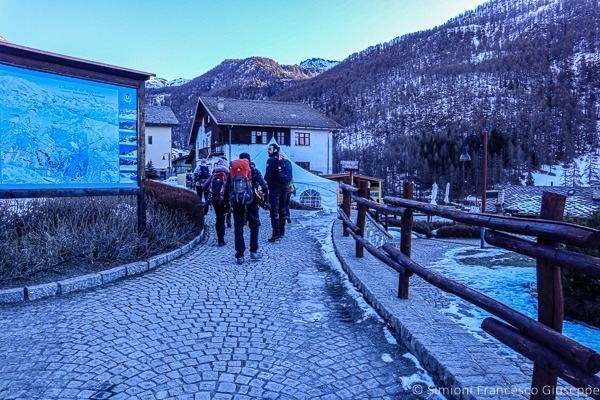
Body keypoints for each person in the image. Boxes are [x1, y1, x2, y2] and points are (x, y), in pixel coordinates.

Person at [227, 152, 268, 265]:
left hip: (237, 203)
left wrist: (229, 202)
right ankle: (253, 252)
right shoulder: (254, 170)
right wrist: (264, 198)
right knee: (254, 226)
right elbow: (264, 186)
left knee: (238, 229)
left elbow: (226, 188)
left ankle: (239, 255)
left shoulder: (233, 171)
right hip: (252, 203)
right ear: (249, 160)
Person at [263, 143, 289, 242]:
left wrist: (265, 186)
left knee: (274, 211)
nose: (268, 150)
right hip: (284, 187)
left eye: (269, 149)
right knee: (282, 209)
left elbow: (268, 175)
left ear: (274, 150)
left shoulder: (271, 160)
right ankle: (282, 232)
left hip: (275, 188)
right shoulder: (282, 159)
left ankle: (275, 234)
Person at [202, 158, 229, 246]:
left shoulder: (214, 174)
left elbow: (204, 187)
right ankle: (222, 239)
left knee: (218, 218)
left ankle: (219, 239)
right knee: (223, 218)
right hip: (224, 200)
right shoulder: (227, 174)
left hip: (214, 200)